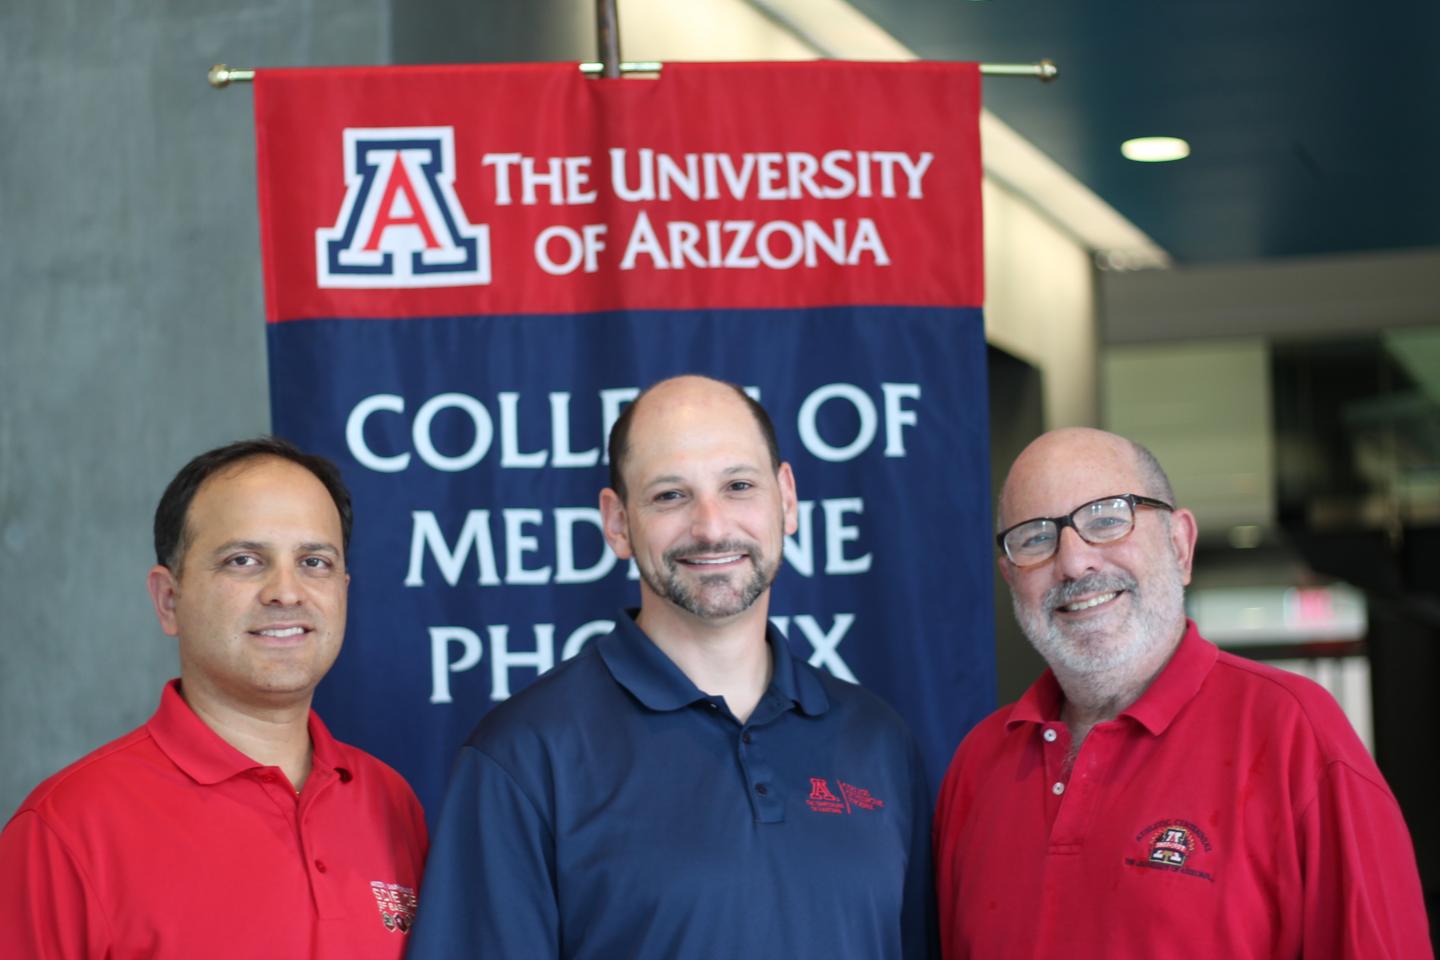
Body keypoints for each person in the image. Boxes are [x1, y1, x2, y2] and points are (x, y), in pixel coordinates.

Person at [409, 374, 935, 959]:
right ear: (617, 523)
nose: (711, 526)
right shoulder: (524, 757)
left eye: (738, 485)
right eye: (670, 495)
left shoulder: (878, 740)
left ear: (786, 499)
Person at [934, 427, 1432, 958]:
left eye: (1107, 518)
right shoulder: (978, 764)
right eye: (1035, 537)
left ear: (1179, 544)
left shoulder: (1295, 733)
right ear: (1010, 577)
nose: (1075, 562)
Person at [0, 438, 428, 958]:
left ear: (344, 589)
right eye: (244, 560)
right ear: (169, 600)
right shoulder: (65, 829)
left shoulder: (391, 803)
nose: (286, 592)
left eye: (314, 561)